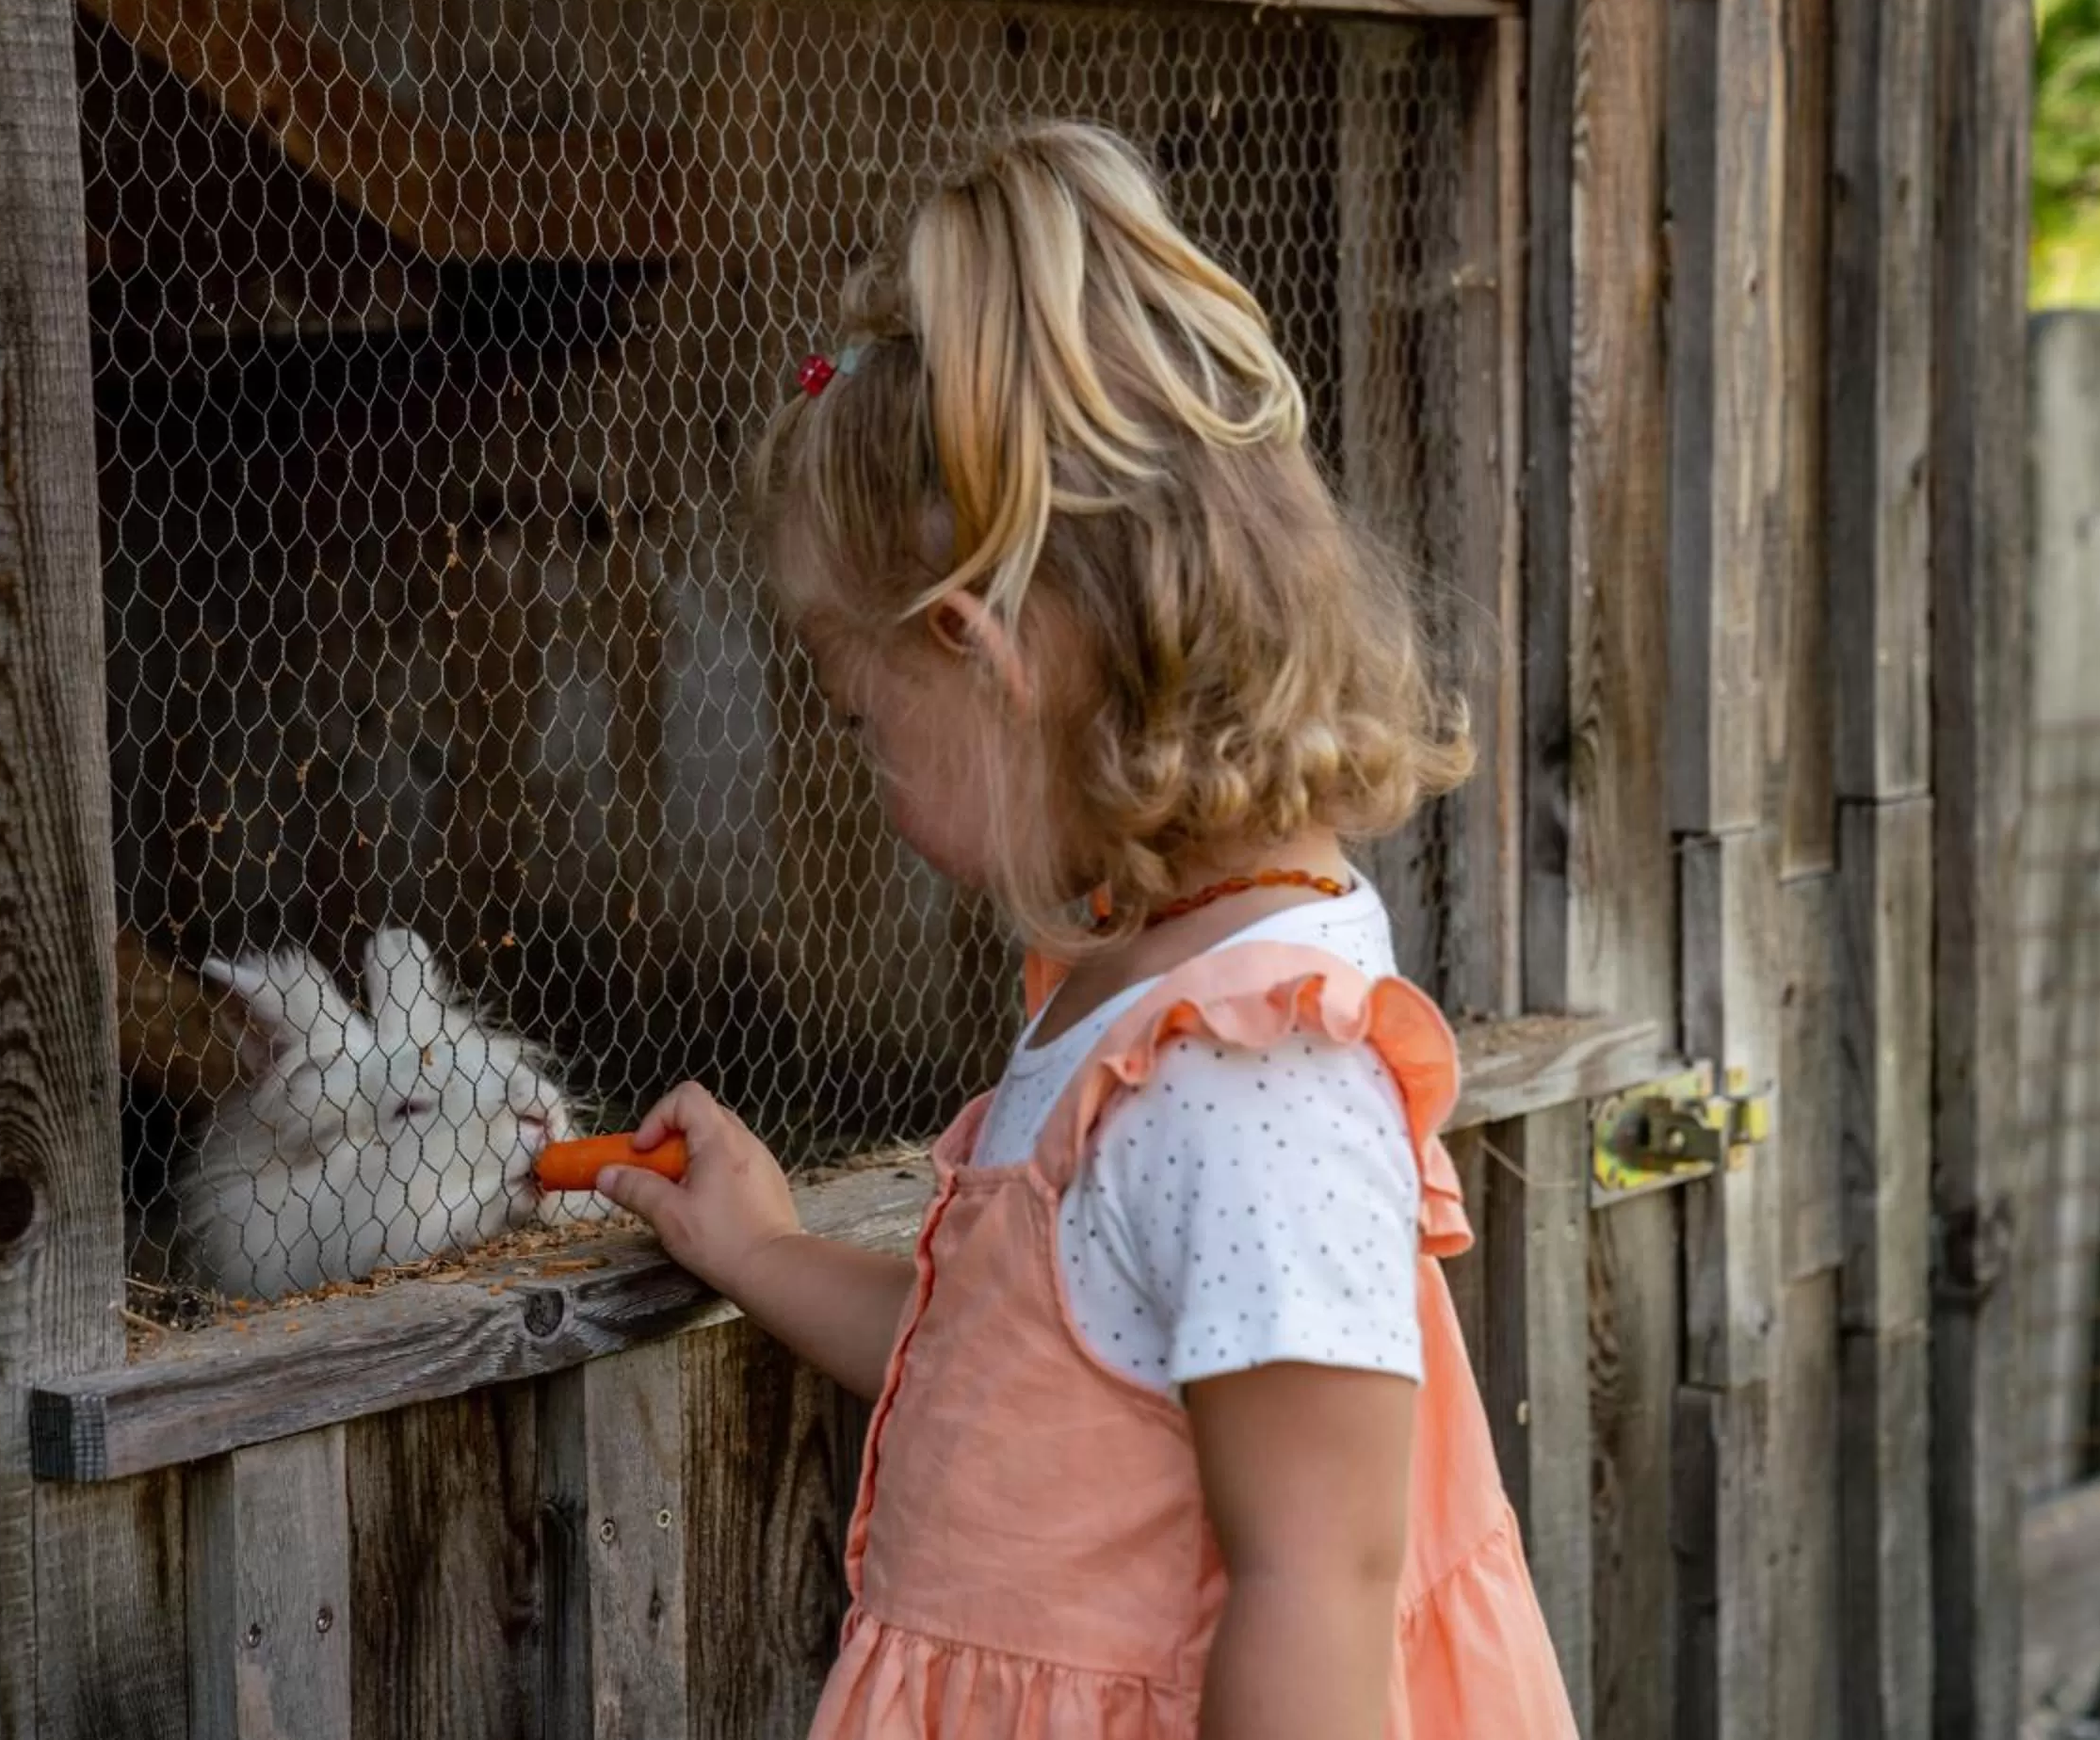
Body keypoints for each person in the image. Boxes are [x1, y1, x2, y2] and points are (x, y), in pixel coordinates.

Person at [597, 121, 1576, 1739]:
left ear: (988, 657)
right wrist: (765, 1254)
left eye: (859, 718)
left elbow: (1319, 1587)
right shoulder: (1134, 995)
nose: (865, 771)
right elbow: (1023, 1380)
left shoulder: (1245, 1083)